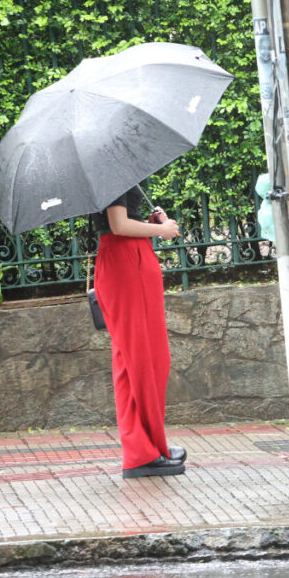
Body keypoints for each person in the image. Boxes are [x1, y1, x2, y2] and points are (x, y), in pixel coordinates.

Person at [91, 185, 187, 478]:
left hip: (129, 260)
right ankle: (140, 453)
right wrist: (161, 230)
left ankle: (150, 446)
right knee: (140, 360)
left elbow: (123, 220)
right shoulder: (110, 172)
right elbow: (118, 225)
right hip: (125, 263)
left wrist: (151, 222)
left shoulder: (114, 171)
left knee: (139, 359)